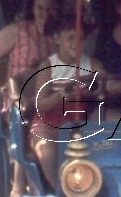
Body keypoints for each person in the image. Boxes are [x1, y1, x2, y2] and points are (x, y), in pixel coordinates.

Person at [0, 0, 62, 197]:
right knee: (22, 113)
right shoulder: (18, 30)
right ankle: (19, 185)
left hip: (52, 97)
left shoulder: (63, 35)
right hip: (18, 94)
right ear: (32, 8)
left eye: (51, 9)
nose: (45, 14)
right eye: (40, 8)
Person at [24, 13, 104, 187]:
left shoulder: (92, 65)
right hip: (48, 124)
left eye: (81, 38)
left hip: (82, 125)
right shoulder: (48, 66)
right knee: (47, 153)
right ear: (57, 39)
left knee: (103, 142)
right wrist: (62, 96)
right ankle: (61, 191)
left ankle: (92, 189)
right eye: (70, 38)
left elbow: (107, 87)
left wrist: (115, 85)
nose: (77, 43)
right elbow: (40, 103)